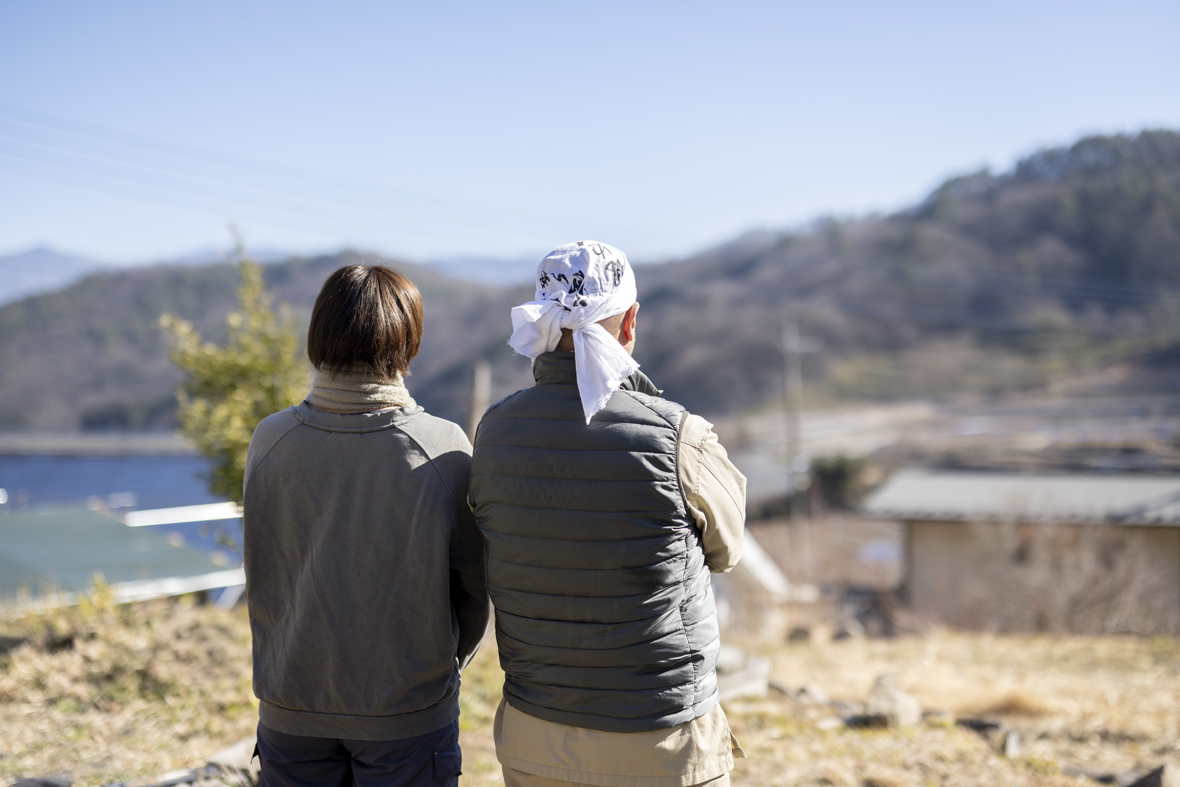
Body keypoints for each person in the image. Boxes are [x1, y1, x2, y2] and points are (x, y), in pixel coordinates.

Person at [469, 241, 748, 787]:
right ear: (631, 321)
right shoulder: (675, 435)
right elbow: (728, 550)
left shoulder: (494, 431)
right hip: (661, 742)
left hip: (536, 734)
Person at [243, 264, 489, 787]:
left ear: (318, 334)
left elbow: (263, 567)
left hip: (291, 705)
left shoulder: (270, 440)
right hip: (407, 713)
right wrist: (441, 668)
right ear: (408, 340)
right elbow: (473, 589)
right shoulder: (443, 449)